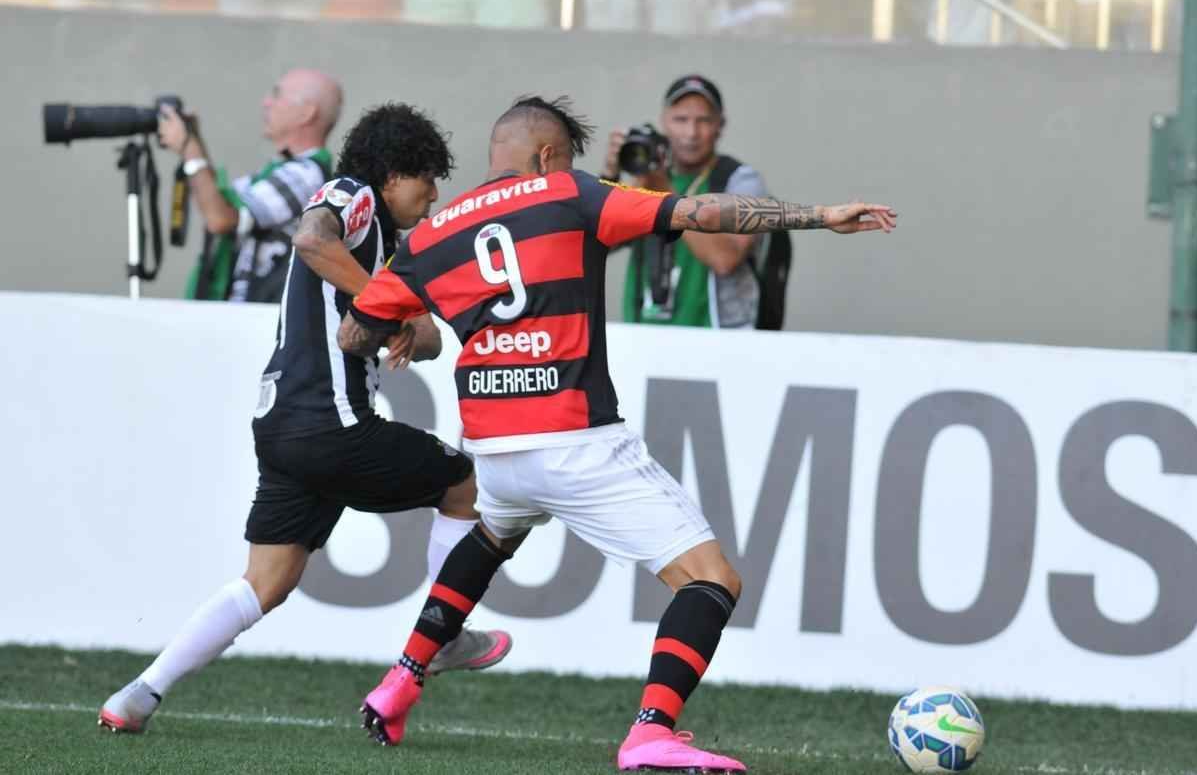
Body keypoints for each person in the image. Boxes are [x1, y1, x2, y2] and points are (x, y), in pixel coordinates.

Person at [338, 95, 897, 771]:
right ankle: (651, 731)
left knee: (493, 533)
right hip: (572, 438)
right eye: (565, 160)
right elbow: (694, 211)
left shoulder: (428, 238)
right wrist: (817, 215)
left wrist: (402, 323)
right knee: (711, 579)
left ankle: (399, 681)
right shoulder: (569, 193)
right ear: (547, 157)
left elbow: (355, 332)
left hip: (493, 446)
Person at [98, 103, 512, 735]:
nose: (433, 198)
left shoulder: (391, 249)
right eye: (427, 180)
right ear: (393, 173)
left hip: (284, 426)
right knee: (466, 484)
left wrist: (404, 323)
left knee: (266, 582)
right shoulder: (353, 195)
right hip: (331, 421)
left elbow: (420, 337)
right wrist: (388, 308)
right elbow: (313, 237)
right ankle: (442, 634)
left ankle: (140, 693)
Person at [603, 74, 784, 330]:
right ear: (664, 122)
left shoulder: (740, 180)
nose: (691, 133)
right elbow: (599, 245)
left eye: (704, 121)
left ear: (720, 125)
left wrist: (664, 192)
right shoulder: (647, 179)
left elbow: (725, 259)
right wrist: (610, 178)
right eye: (681, 120)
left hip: (718, 341)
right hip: (644, 336)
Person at [158, 68, 340, 303]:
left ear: (306, 113)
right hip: (247, 314)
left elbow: (221, 219)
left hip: (258, 321)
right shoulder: (282, 171)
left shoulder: (306, 175)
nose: (266, 102)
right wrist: (195, 142)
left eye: (277, 94)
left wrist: (189, 148)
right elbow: (220, 202)